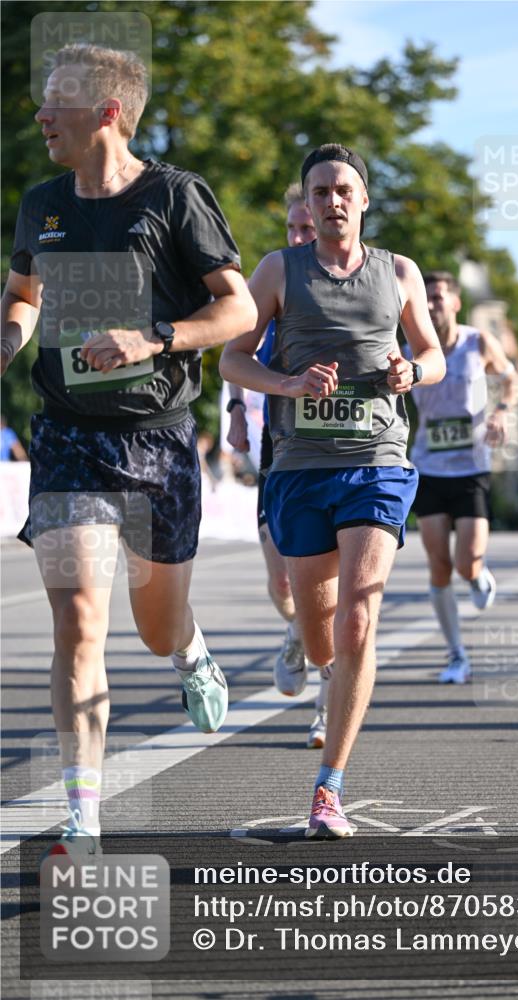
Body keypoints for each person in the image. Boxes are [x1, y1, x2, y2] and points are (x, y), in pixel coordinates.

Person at [0, 44, 257, 858]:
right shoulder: (41, 203)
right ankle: (85, 816)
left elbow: (239, 311)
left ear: (107, 112)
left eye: (57, 103)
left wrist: (151, 338)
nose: (41, 116)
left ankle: (189, 650)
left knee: (153, 628)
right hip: (70, 437)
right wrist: (8, 339)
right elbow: (23, 295)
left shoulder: (175, 198)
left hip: (158, 441)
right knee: (78, 624)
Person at [220, 143, 445, 838]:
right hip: (297, 466)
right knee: (318, 627)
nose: (331, 201)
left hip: (377, 459)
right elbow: (231, 354)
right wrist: (286, 383)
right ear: (307, 203)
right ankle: (322, 670)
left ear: (363, 199)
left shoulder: (398, 271)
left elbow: (433, 354)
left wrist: (413, 370)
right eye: (319, 192)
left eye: (342, 189)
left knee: (356, 619)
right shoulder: (276, 270)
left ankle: (328, 788)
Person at [226, 184, 329, 748]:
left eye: (306, 229)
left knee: (333, 594)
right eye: (292, 229)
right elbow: (236, 353)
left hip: (343, 453)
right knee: (281, 575)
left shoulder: (360, 282)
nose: (298, 238)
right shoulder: (277, 281)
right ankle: (295, 629)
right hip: (281, 448)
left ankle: (324, 708)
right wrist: (238, 409)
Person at [408, 271, 518, 683]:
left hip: (471, 467)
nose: (432, 304)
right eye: (427, 298)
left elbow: (511, 380)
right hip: (430, 466)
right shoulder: (410, 348)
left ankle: (478, 574)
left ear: (455, 302)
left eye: (438, 297)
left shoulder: (478, 343)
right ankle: (456, 655)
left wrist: (503, 411)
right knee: (438, 565)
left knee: (466, 562)